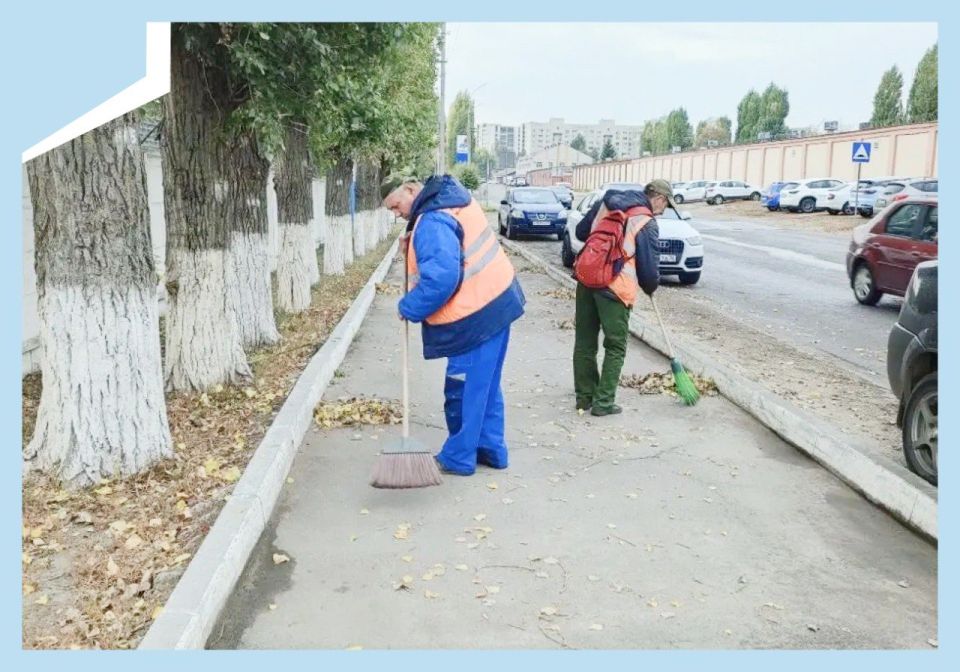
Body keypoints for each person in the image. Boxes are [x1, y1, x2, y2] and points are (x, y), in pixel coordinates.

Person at [381, 174, 526, 475]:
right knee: (484, 387)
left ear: (410, 190)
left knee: (463, 390)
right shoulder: (450, 201)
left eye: (396, 206)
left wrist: (409, 307)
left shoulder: (432, 221)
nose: (397, 214)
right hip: (498, 304)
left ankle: (459, 457)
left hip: (475, 317)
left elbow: (441, 279)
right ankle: (491, 449)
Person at [572, 179, 672, 416]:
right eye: (666, 205)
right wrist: (650, 287)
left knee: (585, 341)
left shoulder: (607, 203)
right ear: (659, 198)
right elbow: (648, 271)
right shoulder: (645, 221)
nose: (663, 210)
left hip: (587, 279)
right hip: (614, 289)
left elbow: (581, 232)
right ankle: (603, 402)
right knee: (615, 346)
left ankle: (584, 398)